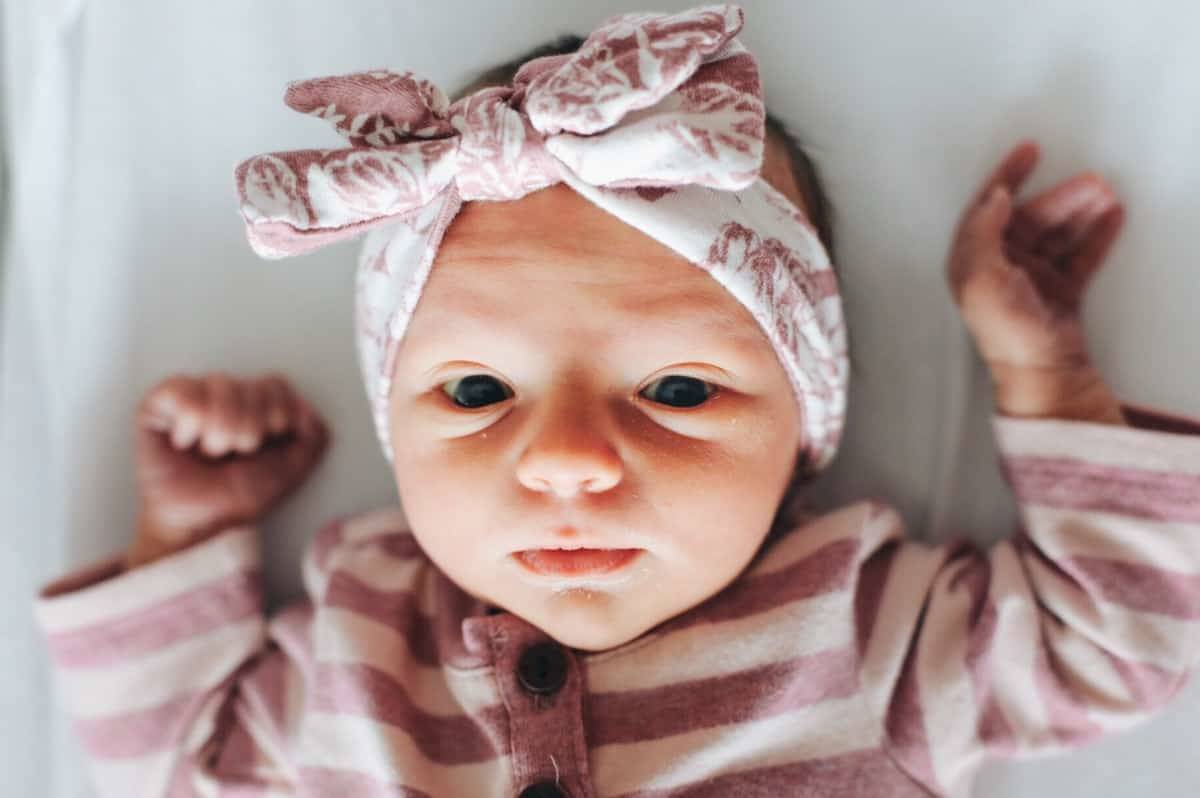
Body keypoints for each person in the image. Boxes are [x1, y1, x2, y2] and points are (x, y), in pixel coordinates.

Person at [32, 5, 1200, 797]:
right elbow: (170, 757)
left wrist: (1049, 376)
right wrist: (185, 532)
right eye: (478, 390)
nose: (571, 459)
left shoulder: (860, 630)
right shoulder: (358, 640)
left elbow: (1119, 641)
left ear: (805, 430)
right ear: (395, 423)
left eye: (679, 390)